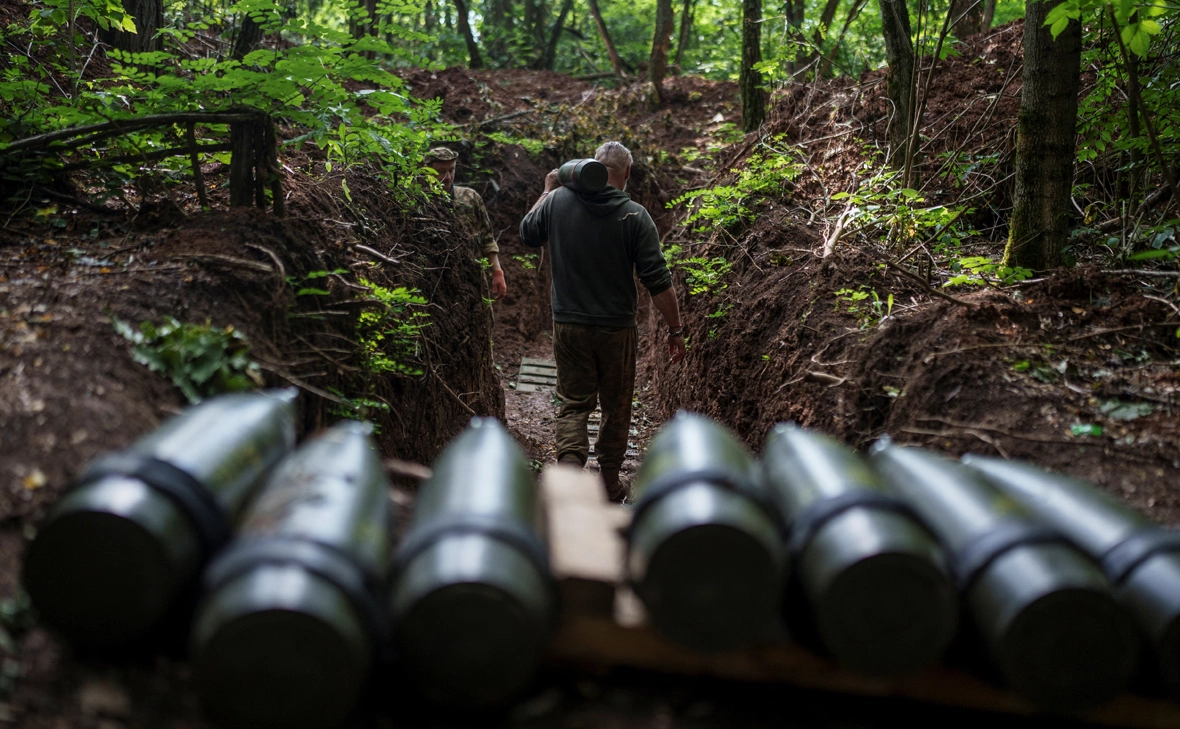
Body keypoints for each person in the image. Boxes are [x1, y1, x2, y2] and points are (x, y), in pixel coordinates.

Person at [519, 141, 686, 501]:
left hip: (568, 325)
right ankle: (609, 483)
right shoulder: (634, 215)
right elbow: (657, 280)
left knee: (574, 403)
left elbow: (527, 233)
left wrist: (547, 191)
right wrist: (675, 329)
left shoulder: (558, 201)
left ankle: (567, 481)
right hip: (616, 329)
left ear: (589, 167)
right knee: (616, 405)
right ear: (627, 173)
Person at [423, 147, 507, 299]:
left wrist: (497, 273)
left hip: (473, 279)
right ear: (427, 172)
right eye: (441, 171)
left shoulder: (470, 197)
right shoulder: (419, 201)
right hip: (436, 284)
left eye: (452, 170)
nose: (448, 177)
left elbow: (487, 239)